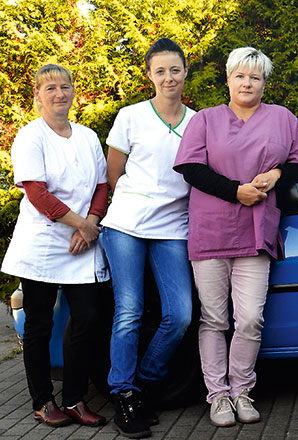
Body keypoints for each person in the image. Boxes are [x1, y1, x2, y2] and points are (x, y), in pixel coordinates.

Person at [174, 46, 298, 427]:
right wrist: (236, 191)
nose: (247, 82)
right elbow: (190, 169)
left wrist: (279, 175)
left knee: (250, 318)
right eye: (240, 75)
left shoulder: (283, 119)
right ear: (228, 79)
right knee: (214, 319)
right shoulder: (205, 120)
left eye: (255, 76)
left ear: (265, 82)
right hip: (212, 231)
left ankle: (242, 391)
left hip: (256, 232)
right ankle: (217, 396)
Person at [1, 64, 108, 427]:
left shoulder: (88, 137)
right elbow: (37, 193)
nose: (59, 93)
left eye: (65, 86)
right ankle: (43, 401)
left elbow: (102, 187)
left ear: (73, 91)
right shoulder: (30, 137)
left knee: (88, 318)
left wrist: (90, 224)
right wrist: (83, 224)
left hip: (83, 242)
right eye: (50, 88)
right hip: (43, 245)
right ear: (37, 95)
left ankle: (75, 398)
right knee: (40, 325)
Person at [100, 38, 196, 438]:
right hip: (126, 225)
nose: (168, 77)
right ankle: (123, 393)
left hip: (173, 227)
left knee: (182, 314)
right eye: (160, 70)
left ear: (185, 73)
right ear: (149, 75)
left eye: (175, 69)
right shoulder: (131, 116)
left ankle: (142, 384)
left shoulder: (198, 121)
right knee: (129, 311)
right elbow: (113, 172)